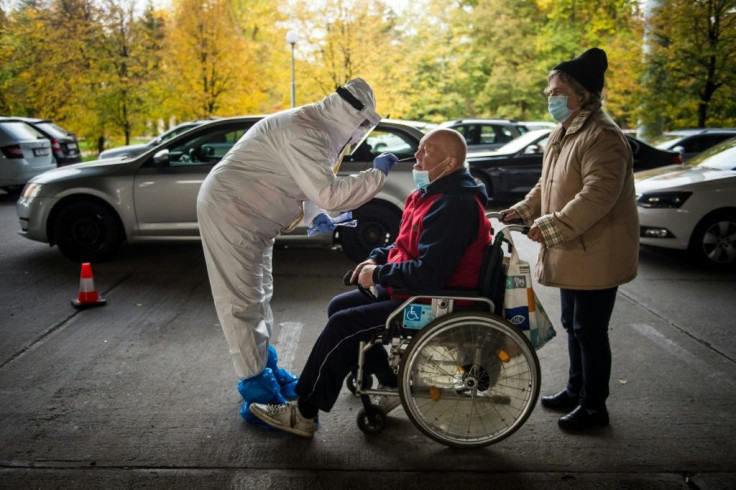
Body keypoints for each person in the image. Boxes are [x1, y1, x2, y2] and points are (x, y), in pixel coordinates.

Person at [249, 128, 493, 437]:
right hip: (418, 289)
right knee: (339, 306)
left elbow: (429, 273)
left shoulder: (456, 204)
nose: (416, 156)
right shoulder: (431, 194)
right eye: (419, 149)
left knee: (344, 324)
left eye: (426, 151)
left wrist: (377, 276)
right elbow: (405, 245)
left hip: (439, 298)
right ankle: (389, 379)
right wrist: (376, 259)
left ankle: (305, 413)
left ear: (450, 162)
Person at [196, 78, 400, 411]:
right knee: (241, 300)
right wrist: (375, 176)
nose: (361, 132)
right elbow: (328, 192)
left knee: (259, 293)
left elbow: (301, 182)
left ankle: (265, 367)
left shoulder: (316, 128)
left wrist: (313, 214)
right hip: (231, 214)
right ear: (349, 116)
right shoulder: (305, 131)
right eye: (362, 123)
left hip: (253, 218)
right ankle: (255, 389)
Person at [500, 48, 639, 431]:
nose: (551, 97)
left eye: (557, 90)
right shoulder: (564, 132)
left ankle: (595, 407)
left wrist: (548, 227)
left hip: (598, 251)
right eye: (550, 90)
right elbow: (549, 184)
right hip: (576, 249)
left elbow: (597, 196)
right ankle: (576, 390)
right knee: (573, 323)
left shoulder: (604, 137)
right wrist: (524, 210)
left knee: (590, 330)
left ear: (583, 96)